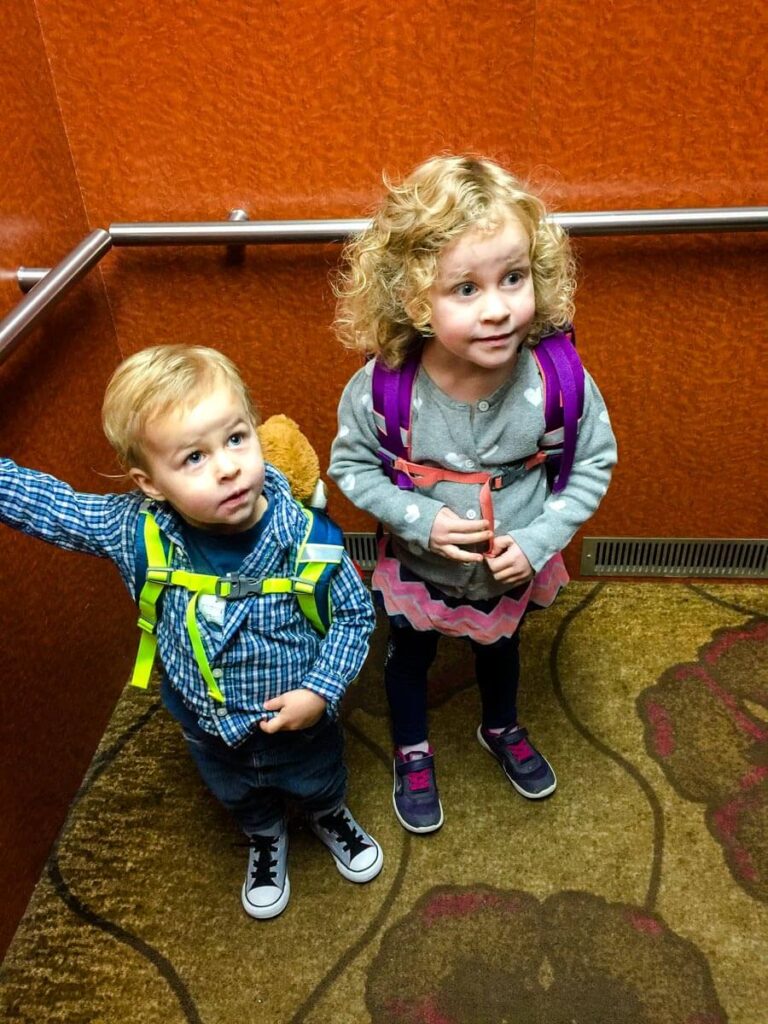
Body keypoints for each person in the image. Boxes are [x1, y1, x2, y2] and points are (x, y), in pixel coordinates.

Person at [0, 344, 383, 919]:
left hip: (299, 719)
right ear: (149, 482)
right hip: (206, 723)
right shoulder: (134, 528)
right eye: (193, 458)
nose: (228, 467)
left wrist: (320, 691)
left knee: (319, 779)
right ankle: (265, 837)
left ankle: (330, 817)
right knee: (237, 794)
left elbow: (355, 617)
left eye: (235, 439)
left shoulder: (308, 537)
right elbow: (55, 508)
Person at [329, 155, 617, 834]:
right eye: (464, 288)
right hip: (418, 569)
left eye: (512, 279)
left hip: (509, 572)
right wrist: (420, 520)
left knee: (500, 649)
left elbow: (593, 464)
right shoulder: (385, 388)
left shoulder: (557, 380)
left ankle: (501, 724)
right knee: (408, 656)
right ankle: (412, 746)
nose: (497, 309)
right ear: (412, 300)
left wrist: (541, 540)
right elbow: (353, 466)